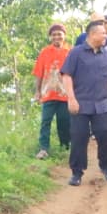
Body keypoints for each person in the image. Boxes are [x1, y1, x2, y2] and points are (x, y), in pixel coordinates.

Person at [60, 20, 107, 186]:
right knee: (79, 137)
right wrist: (71, 98)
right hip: (80, 104)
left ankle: (106, 166)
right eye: (103, 33)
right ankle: (77, 172)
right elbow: (66, 76)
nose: (105, 36)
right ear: (92, 34)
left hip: (102, 104)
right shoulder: (76, 53)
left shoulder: (106, 55)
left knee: (104, 135)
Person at [32, 24, 71, 159]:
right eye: (54, 34)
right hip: (48, 93)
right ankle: (43, 149)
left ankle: (65, 147)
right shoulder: (45, 52)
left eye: (59, 34)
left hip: (65, 94)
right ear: (50, 37)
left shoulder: (70, 52)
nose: (57, 37)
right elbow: (38, 73)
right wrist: (37, 91)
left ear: (64, 35)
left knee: (64, 121)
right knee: (45, 121)